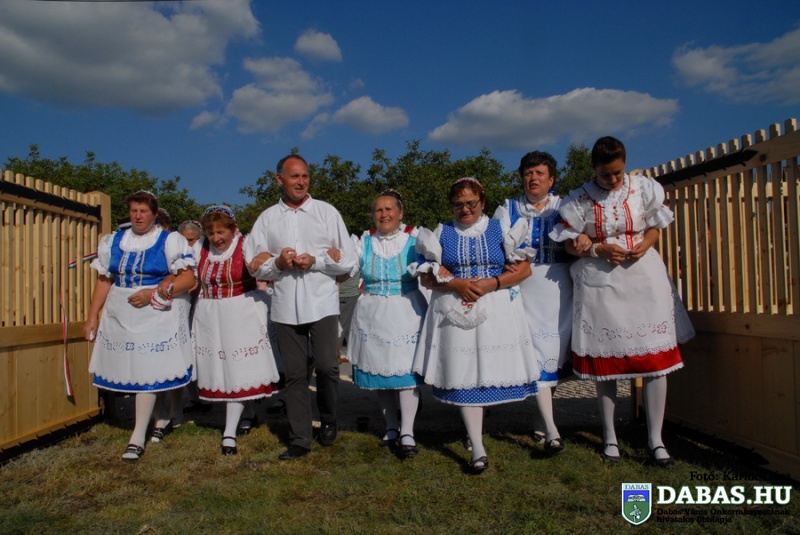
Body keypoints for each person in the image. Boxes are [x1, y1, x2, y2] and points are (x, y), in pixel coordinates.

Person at [549, 136, 695, 467]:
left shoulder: (643, 189)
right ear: (594, 169)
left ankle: (656, 440)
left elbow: (655, 226)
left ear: (625, 164)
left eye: (617, 172)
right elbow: (569, 244)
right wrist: (597, 248)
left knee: (655, 362)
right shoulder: (580, 199)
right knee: (609, 364)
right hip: (602, 284)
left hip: (643, 280)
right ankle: (610, 437)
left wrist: (646, 243)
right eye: (605, 174)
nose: (613, 179)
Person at [411, 177, 540, 474]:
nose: (465, 209)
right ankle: (477, 447)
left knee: (489, 370)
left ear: (482, 202)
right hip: (455, 309)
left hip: (496, 308)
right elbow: (427, 278)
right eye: (458, 204)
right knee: (464, 373)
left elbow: (524, 270)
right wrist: (455, 282)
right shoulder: (442, 232)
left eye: (471, 203)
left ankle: (495, 433)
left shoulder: (499, 228)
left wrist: (492, 282)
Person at [245, 154, 356, 460]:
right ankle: (300, 438)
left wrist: (316, 261)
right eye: (294, 177)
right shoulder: (268, 218)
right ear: (279, 179)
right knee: (294, 374)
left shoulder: (326, 212)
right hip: (284, 305)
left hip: (321, 302)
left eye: (305, 176)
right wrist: (278, 263)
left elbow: (349, 260)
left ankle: (329, 418)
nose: (301, 182)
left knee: (327, 366)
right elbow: (254, 264)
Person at [83, 190, 196, 461]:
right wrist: (92, 316)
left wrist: (154, 293)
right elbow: (104, 280)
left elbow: (188, 279)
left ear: (154, 214)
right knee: (135, 369)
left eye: (143, 211)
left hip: (155, 311)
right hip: (121, 311)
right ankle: (161, 417)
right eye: (134, 210)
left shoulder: (170, 240)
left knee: (148, 369)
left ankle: (137, 436)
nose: (138, 216)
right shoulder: (113, 241)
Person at [493, 151, 574, 456]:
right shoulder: (509, 209)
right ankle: (551, 430)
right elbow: (497, 246)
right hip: (522, 287)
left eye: (540, 173)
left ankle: (542, 421)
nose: (533, 178)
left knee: (552, 356)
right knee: (536, 355)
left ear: (551, 179)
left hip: (558, 286)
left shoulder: (564, 206)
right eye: (528, 173)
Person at [191, 205, 281, 455]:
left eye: (221, 232)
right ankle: (248, 413)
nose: (216, 238)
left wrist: (263, 257)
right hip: (210, 314)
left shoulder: (246, 244)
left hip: (241, 311)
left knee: (238, 370)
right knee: (223, 371)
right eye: (211, 233)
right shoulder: (199, 248)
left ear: (234, 230)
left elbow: (265, 259)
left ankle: (229, 432)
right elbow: (190, 277)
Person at [346, 189, 427, 458]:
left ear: (400, 213)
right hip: (371, 314)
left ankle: (408, 432)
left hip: (406, 311)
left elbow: (433, 264)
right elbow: (346, 267)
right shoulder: (364, 242)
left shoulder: (415, 240)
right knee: (380, 373)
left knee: (405, 374)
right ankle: (391, 426)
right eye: (379, 210)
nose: (384, 214)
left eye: (389, 209)